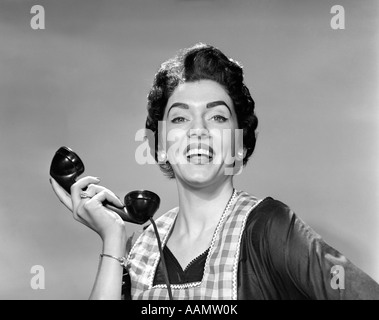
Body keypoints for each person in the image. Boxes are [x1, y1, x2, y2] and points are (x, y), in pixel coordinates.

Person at [50, 43, 379, 300]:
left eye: (217, 117)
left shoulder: (269, 229)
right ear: (161, 144)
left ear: (238, 143)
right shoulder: (139, 250)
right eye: (180, 118)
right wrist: (113, 238)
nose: (198, 131)